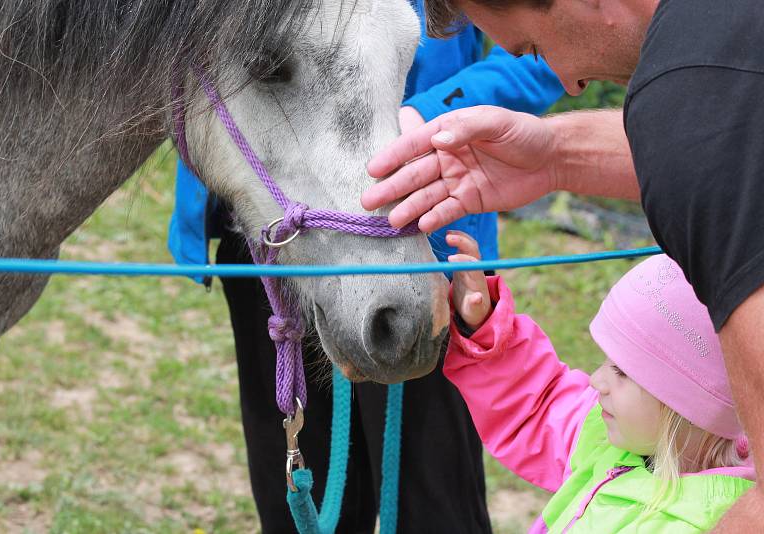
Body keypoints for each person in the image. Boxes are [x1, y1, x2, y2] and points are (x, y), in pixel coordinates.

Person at [361, 0, 764, 528]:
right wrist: (487, 337)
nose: (570, 84)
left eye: (532, 47)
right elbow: (540, 405)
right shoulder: (612, 440)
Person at [168, 1, 563, 531]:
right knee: (293, 490)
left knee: (431, 498)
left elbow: (558, 42)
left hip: (415, 228)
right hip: (270, 224)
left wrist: (433, 113)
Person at [443, 230, 753, 532]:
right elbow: (539, 405)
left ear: (686, 405)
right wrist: (484, 327)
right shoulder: (613, 433)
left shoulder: (710, 523)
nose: (596, 380)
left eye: (621, 372)